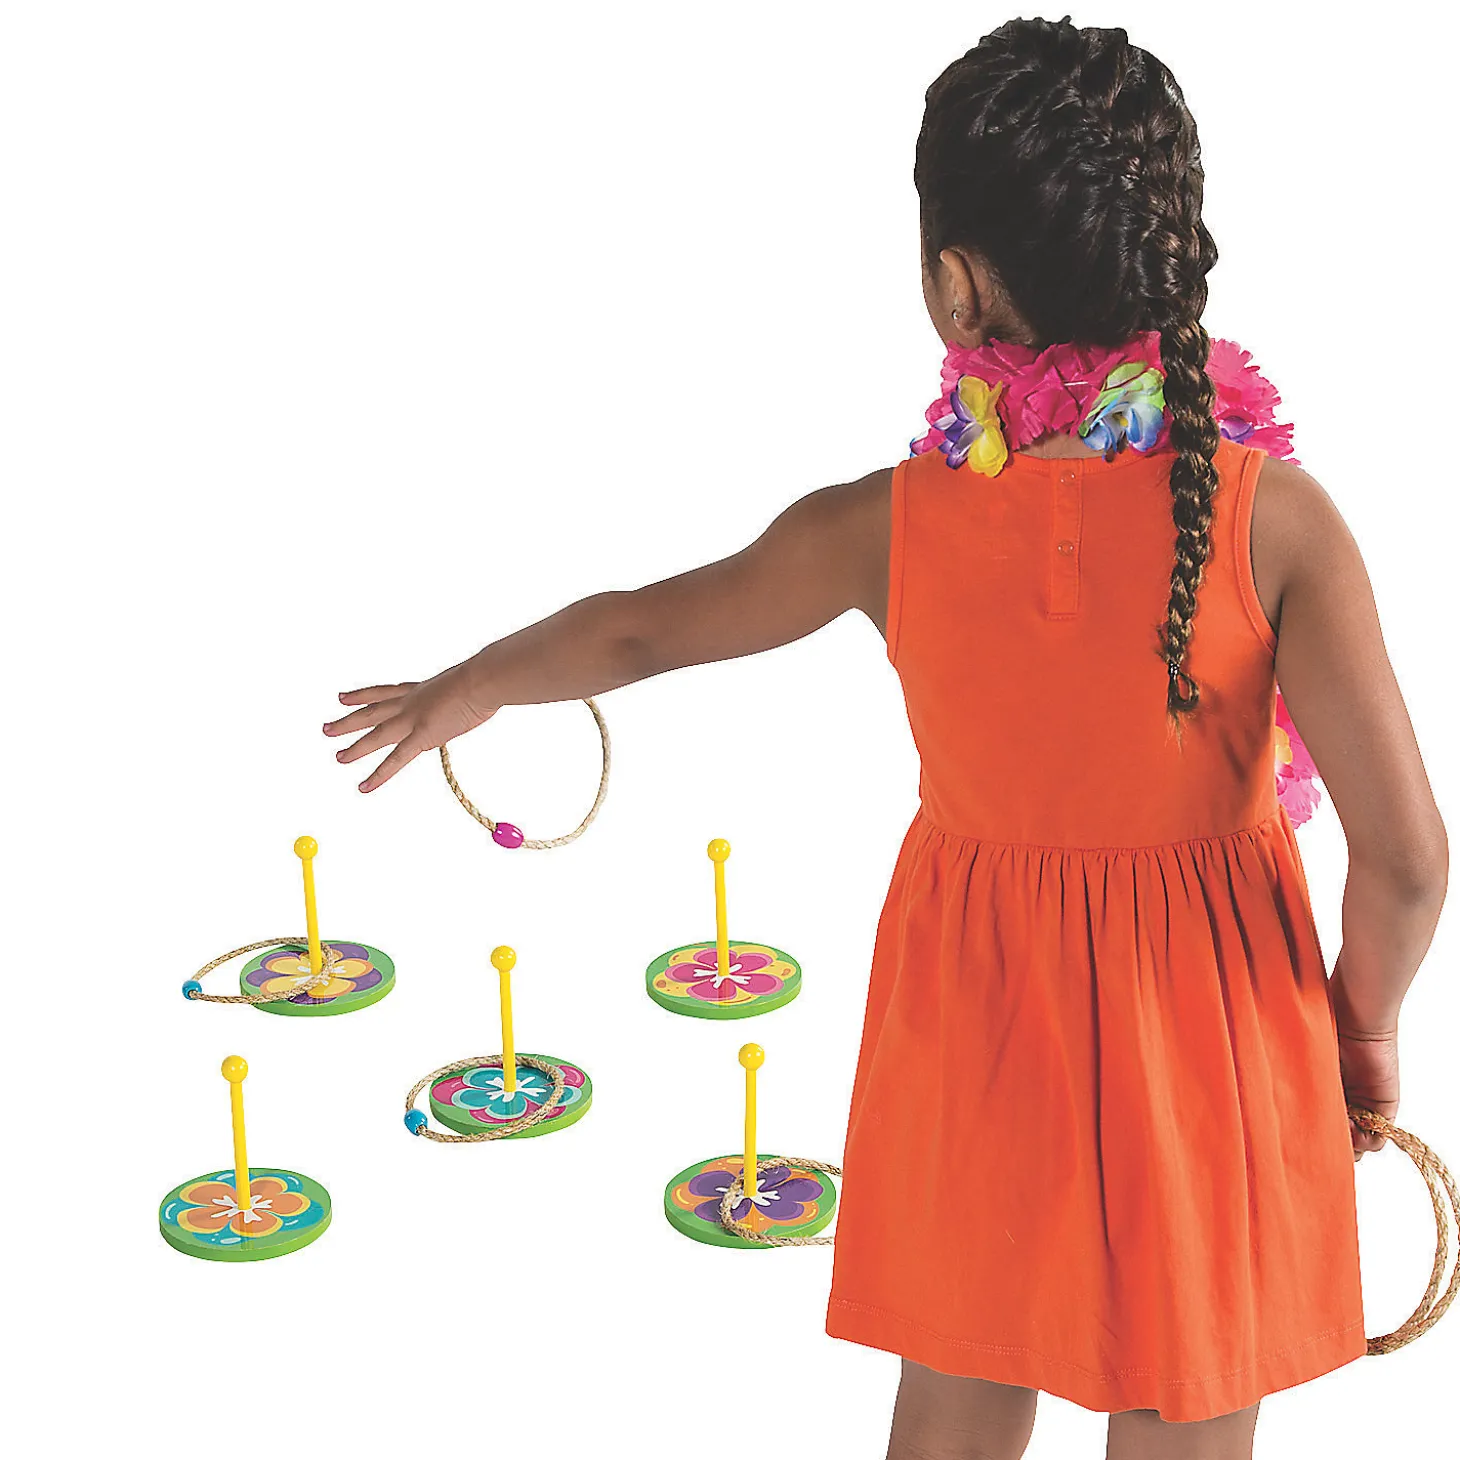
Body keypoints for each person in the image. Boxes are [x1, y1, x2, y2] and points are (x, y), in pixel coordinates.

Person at [322, 18, 1448, 1458]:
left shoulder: (885, 526)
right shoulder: (1273, 520)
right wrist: (1360, 1030)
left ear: (958, 283)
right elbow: (1407, 861)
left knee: (959, 1390)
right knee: (1188, 1391)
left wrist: (472, 683)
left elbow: (646, 631)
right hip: (1214, 1033)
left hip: (979, 1015)